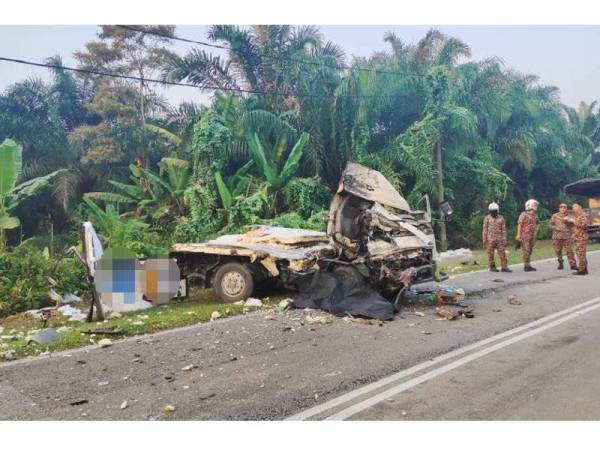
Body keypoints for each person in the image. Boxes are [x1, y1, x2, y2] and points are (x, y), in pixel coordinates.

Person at [482, 202, 511, 272]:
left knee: (502, 254)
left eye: (494, 211)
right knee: (490, 254)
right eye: (492, 211)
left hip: (499, 239)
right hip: (490, 239)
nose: (493, 213)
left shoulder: (501, 218)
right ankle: (492, 267)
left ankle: (504, 267)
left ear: (497, 211)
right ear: (489, 211)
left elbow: (503, 229)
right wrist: (484, 239)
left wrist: (504, 239)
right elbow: (485, 229)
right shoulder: (487, 218)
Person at [549, 203, 577, 270]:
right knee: (558, 251)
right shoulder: (554, 216)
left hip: (567, 237)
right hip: (557, 237)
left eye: (564, 208)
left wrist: (574, 234)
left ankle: (573, 265)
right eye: (561, 208)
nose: (563, 209)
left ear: (566, 209)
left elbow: (573, 226)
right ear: (559, 208)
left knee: (569, 251)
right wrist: (556, 228)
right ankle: (560, 263)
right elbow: (550, 225)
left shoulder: (569, 217)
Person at [565, 202, 589, 275]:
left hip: (581, 237)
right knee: (580, 254)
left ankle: (582, 270)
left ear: (580, 207)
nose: (574, 208)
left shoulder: (583, 215)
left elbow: (584, 225)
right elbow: (572, 226)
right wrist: (567, 221)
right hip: (576, 237)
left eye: (575, 206)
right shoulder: (575, 215)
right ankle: (584, 269)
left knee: (580, 254)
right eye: (573, 207)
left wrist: (573, 221)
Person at [516, 199, 539, 271]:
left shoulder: (535, 215)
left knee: (530, 250)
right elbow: (520, 224)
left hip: (532, 236)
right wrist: (518, 234)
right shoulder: (523, 214)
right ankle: (526, 266)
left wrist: (536, 230)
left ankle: (528, 264)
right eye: (534, 205)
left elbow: (537, 223)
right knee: (526, 250)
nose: (535, 206)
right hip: (524, 236)